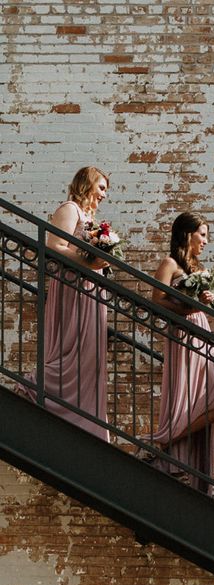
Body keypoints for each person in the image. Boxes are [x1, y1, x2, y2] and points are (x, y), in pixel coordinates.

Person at [18, 166, 111, 441]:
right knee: (71, 351)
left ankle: (88, 423)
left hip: (91, 290)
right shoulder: (70, 208)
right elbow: (55, 247)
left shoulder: (90, 218)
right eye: (102, 188)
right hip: (73, 286)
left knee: (89, 357)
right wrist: (90, 261)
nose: (104, 195)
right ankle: (33, 387)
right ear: (88, 183)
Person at [146, 212, 214, 494]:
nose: (205, 241)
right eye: (202, 234)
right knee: (202, 401)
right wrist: (190, 304)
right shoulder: (170, 263)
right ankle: (165, 442)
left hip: (200, 332)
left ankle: (165, 443)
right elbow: (156, 300)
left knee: (212, 403)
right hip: (183, 333)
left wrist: (204, 301)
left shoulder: (195, 268)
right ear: (187, 234)